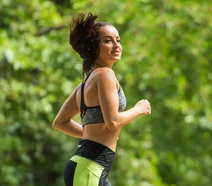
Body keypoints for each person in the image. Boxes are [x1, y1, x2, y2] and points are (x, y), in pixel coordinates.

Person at [52, 12, 151, 186]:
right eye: (107, 41)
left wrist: (90, 135)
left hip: (89, 167)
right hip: (89, 167)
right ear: (93, 47)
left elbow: (60, 122)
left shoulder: (83, 84)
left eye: (118, 40)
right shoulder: (105, 74)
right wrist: (138, 109)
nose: (116, 45)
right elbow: (112, 121)